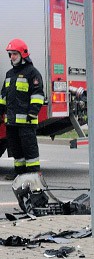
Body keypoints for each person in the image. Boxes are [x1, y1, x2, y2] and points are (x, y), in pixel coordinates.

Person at [0, 39, 45, 178]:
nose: (12, 57)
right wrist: (1, 111)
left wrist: (33, 113)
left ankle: (32, 173)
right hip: (12, 121)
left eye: (15, 54)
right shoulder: (9, 74)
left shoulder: (32, 73)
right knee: (16, 149)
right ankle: (19, 173)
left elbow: (38, 95)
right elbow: (3, 96)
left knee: (29, 148)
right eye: (10, 54)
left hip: (26, 121)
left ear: (23, 54)